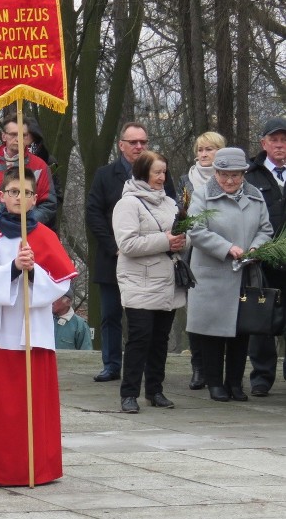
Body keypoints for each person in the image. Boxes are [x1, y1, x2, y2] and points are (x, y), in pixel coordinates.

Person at [0, 167, 76, 486]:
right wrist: (11, 268)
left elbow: (61, 283)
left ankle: (36, 466)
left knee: (32, 404)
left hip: (32, 330)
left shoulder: (45, 236)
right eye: (13, 192)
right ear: (1, 196)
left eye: (26, 192)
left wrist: (34, 271)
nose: (19, 197)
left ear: (35, 198)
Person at [86, 122, 176, 382]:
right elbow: (94, 214)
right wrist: (115, 247)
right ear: (121, 144)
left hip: (151, 261)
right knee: (111, 314)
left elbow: (168, 215)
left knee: (147, 322)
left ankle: (147, 370)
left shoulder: (160, 175)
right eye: (133, 142)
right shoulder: (105, 174)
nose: (139, 146)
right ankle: (112, 364)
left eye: (143, 142)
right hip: (112, 257)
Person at [187, 148, 273, 402]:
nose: (229, 181)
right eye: (224, 175)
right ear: (216, 173)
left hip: (244, 273)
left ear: (244, 174)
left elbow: (265, 228)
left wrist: (257, 246)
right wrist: (226, 248)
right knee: (212, 332)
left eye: (235, 175)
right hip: (213, 273)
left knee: (240, 331)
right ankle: (215, 384)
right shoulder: (203, 196)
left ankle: (235, 383)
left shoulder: (255, 196)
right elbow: (195, 230)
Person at [113, 151, 186, 413]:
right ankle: (129, 394)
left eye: (164, 172)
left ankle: (155, 390)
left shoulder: (170, 202)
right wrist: (166, 240)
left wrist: (182, 240)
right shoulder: (128, 204)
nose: (162, 177)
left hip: (167, 280)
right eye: (157, 172)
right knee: (140, 338)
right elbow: (127, 244)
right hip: (139, 282)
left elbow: (181, 236)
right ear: (143, 173)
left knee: (160, 339)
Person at [177, 131, 226, 390]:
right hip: (193, 252)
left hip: (226, 253)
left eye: (210, 149)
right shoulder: (187, 180)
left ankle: (220, 369)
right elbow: (180, 213)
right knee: (195, 312)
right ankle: (199, 367)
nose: (204, 154)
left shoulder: (232, 179)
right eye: (200, 150)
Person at [243, 117, 286, 397]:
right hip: (264, 259)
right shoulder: (251, 175)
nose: (280, 145)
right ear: (264, 144)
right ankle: (261, 376)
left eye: (284, 140)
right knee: (261, 318)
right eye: (275, 140)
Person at [0, 114, 56, 227]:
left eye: (23, 135)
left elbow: (48, 203)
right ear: (4, 136)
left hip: (26, 235)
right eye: (13, 134)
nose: (18, 139)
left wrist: (29, 222)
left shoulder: (39, 166)